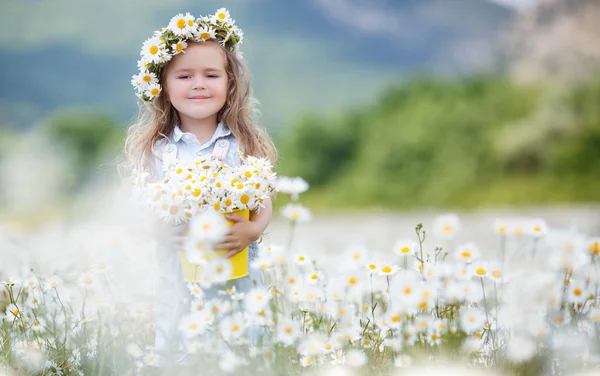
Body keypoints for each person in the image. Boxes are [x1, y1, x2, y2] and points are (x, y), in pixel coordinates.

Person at [122, 8, 277, 362]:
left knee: (240, 336)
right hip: (179, 266)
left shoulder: (241, 143)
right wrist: (159, 230)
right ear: (162, 84)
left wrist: (252, 230)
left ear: (230, 83)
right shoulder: (157, 151)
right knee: (179, 337)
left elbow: (263, 198)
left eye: (211, 74)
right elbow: (140, 207)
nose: (199, 84)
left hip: (233, 260)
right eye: (184, 75)